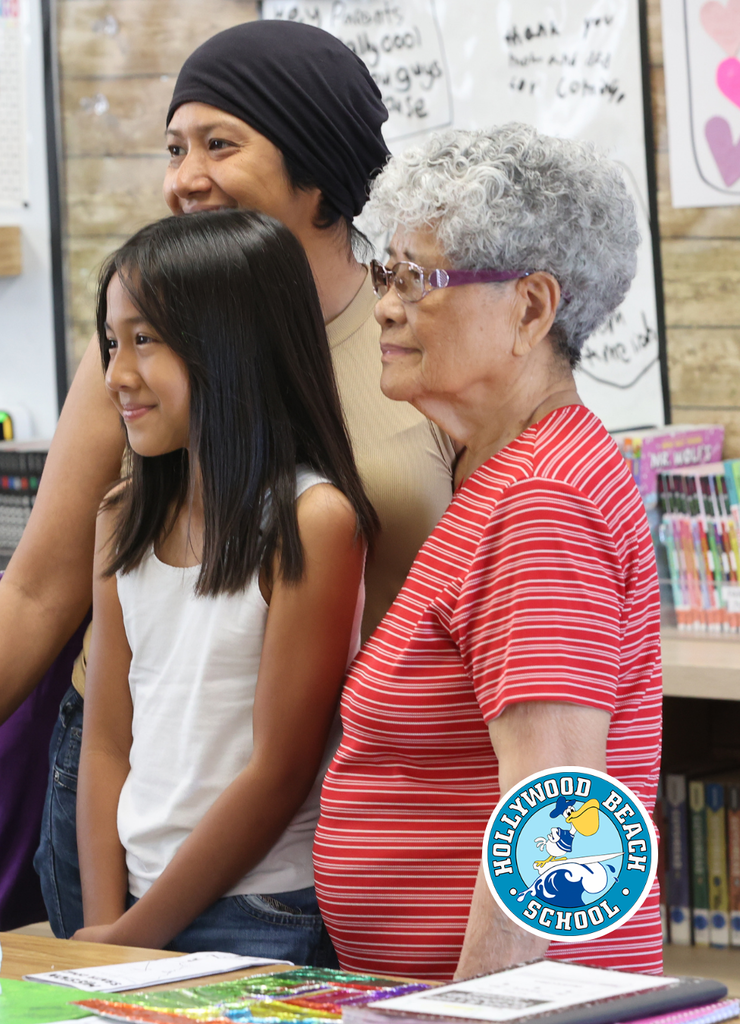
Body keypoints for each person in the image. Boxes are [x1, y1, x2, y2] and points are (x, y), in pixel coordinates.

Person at [0, 20, 455, 939]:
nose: (184, 177)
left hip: (312, 809)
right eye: (174, 147)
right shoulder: (134, 358)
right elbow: (38, 590)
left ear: (320, 169)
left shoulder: (421, 326)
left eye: (221, 144)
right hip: (125, 789)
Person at [313, 124, 663, 980]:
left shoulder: (543, 501)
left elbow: (556, 811)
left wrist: (481, 1010)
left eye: (419, 280)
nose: (386, 306)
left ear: (532, 309)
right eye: (385, 272)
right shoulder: (509, 474)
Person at [73, 209, 377, 960]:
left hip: (261, 911)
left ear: (229, 346)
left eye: (143, 340)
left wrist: (130, 940)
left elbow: (280, 770)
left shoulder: (313, 520)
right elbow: (108, 740)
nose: (116, 375)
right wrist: (106, 925)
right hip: (134, 910)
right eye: (113, 342)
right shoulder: (120, 519)